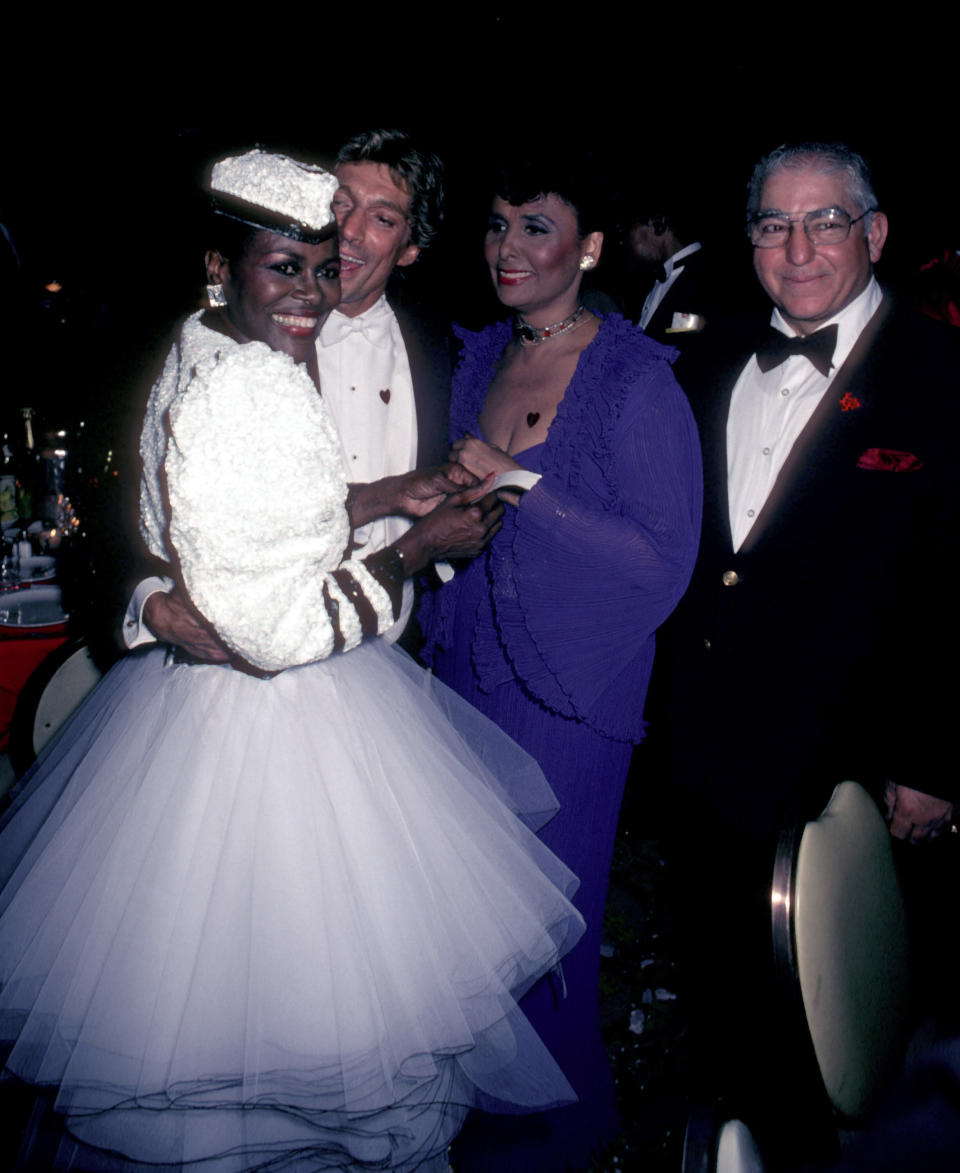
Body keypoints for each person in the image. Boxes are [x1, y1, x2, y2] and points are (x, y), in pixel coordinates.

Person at [0, 150, 589, 1173]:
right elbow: (273, 629)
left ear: (405, 245)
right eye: (291, 265)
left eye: (330, 263)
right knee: (320, 1013)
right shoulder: (252, 385)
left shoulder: (209, 343)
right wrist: (419, 548)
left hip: (242, 709)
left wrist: (380, 494)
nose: (317, 288)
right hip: (288, 706)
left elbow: (257, 512)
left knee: (208, 997)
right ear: (222, 266)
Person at [655, 141, 960, 1164]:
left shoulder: (944, 373)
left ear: (874, 234)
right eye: (772, 224)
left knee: (858, 1019)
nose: (798, 247)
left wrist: (935, 760)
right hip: (710, 743)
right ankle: (741, 1134)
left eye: (825, 219)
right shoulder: (704, 361)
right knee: (725, 983)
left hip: (860, 766)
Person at [422, 157, 702, 1171]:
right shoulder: (479, 355)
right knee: (467, 918)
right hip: (464, 670)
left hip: (573, 686)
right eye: (496, 225)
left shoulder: (632, 377)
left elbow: (661, 559)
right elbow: (465, 518)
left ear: (586, 249)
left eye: (535, 227)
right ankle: (481, 1116)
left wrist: (518, 481)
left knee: (552, 930)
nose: (507, 248)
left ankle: (552, 1140)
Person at [126, 128, 450, 657]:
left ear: (410, 249)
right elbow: (126, 501)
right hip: (265, 653)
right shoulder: (239, 343)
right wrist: (148, 601)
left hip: (397, 656)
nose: (346, 231)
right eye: (340, 205)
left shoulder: (446, 351)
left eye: (382, 218)